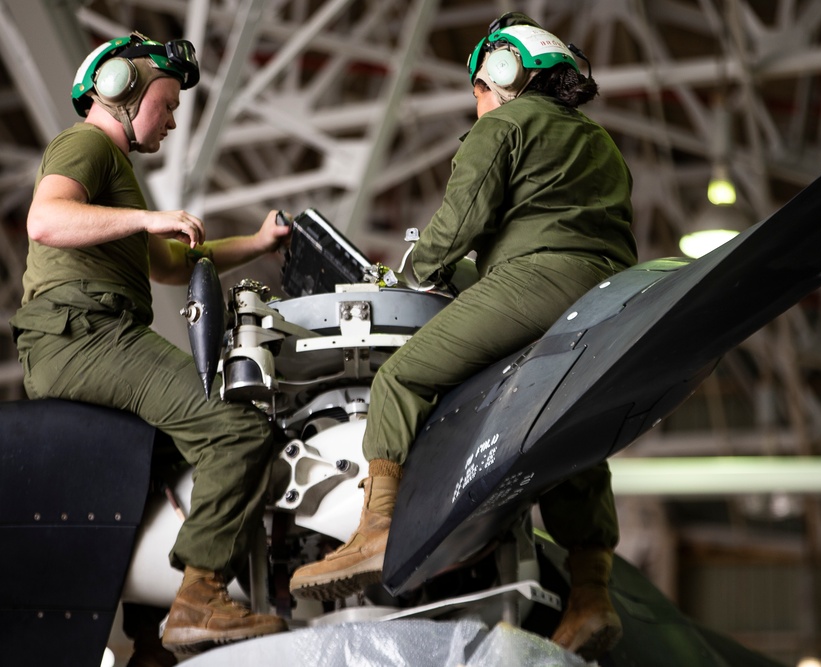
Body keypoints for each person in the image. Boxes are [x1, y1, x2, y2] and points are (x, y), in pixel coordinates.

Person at [289, 13, 636, 660]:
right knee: (560, 428)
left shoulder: (505, 124)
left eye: (479, 85)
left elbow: (459, 223)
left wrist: (412, 275)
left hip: (542, 283)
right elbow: (549, 231)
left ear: (505, 71)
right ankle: (592, 594)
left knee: (402, 378)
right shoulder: (597, 143)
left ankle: (376, 528)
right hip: (602, 296)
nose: (476, 99)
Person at [9, 32, 290, 658]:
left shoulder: (118, 173)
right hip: (83, 335)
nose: (171, 119)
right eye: (166, 103)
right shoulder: (84, 145)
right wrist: (145, 218)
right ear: (120, 89)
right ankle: (199, 599)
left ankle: (151, 639)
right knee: (235, 430)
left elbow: (169, 263)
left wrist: (257, 242)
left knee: (159, 471)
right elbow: (46, 219)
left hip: (82, 339)